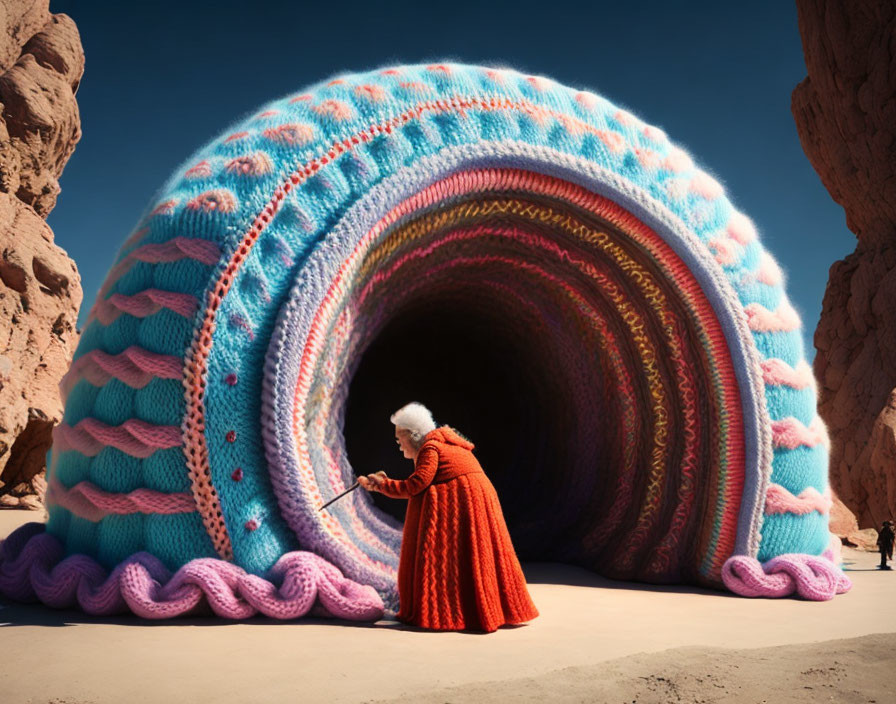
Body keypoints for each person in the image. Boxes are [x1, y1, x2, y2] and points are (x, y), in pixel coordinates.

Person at [358, 402, 539, 632]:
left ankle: (458, 612)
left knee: (462, 556)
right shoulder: (442, 443)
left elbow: (416, 485)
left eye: (399, 438)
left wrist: (381, 486)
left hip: (466, 499)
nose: (397, 443)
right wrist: (383, 483)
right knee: (474, 554)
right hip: (477, 498)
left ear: (413, 435)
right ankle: (481, 608)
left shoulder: (430, 449)